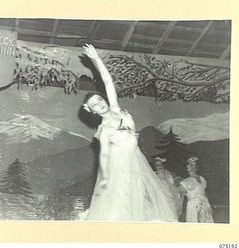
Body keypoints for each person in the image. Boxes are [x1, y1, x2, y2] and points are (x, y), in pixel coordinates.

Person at [80, 44, 178, 221]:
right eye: (95, 105)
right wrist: (104, 179)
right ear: (92, 111)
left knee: (138, 199)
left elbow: (107, 81)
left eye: (100, 99)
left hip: (135, 159)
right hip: (120, 164)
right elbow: (103, 155)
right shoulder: (104, 129)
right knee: (122, 201)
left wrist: (95, 59)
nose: (100, 104)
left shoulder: (117, 109)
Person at [180, 156, 214, 223]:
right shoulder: (202, 179)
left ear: (196, 168)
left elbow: (177, 191)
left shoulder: (189, 180)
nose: (188, 166)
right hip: (203, 204)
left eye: (191, 165)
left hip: (194, 205)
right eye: (188, 164)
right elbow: (204, 193)